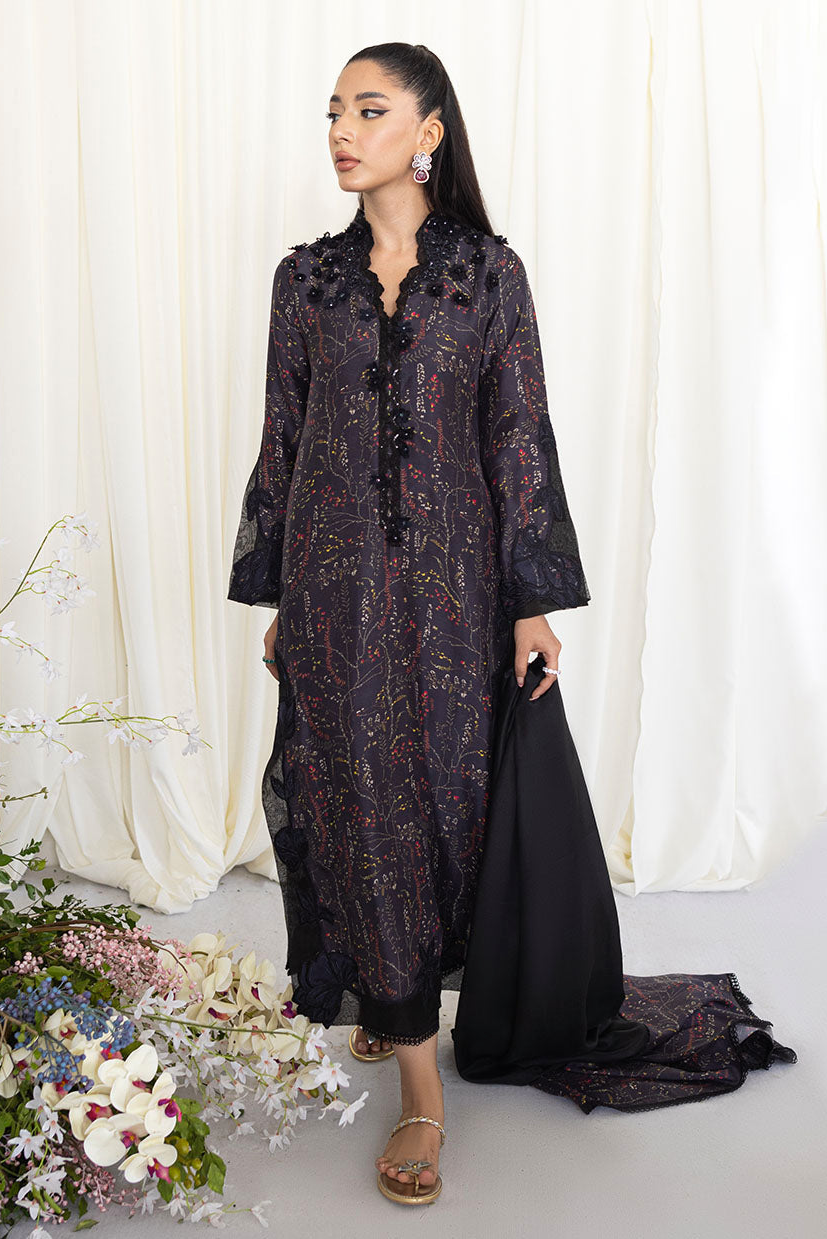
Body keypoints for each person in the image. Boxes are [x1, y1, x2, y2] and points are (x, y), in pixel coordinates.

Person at [228, 42, 592, 1203]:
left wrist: (532, 600)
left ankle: (404, 997)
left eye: (370, 110)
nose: (342, 130)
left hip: (454, 597)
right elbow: (286, 440)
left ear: (428, 132)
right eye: (334, 111)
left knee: (443, 807)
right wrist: (278, 593)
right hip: (334, 596)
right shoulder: (306, 281)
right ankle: (421, 1093)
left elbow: (519, 438)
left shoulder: (487, 275)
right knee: (361, 802)